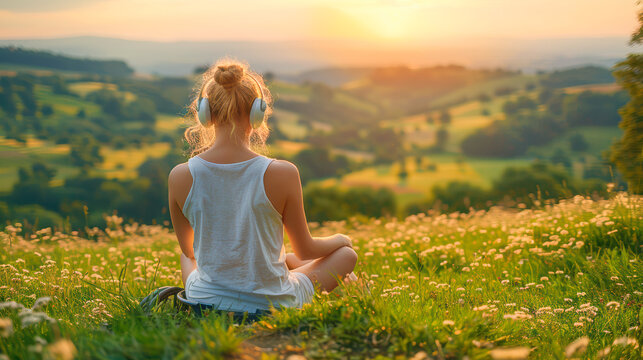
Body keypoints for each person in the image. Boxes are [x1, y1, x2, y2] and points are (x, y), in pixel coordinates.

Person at [167, 58, 358, 313]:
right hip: (275, 304)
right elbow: (307, 248)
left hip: (205, 301)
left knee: (187, 256)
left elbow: (189, 251)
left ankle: (235, 286)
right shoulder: (283, 172)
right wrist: (340, 238)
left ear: (205, 114)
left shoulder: (180, 175)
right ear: (257, 114)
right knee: (347, 256)